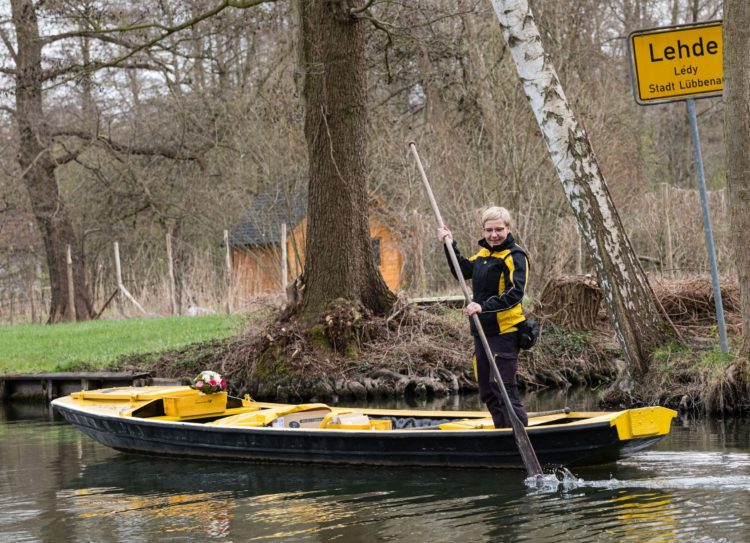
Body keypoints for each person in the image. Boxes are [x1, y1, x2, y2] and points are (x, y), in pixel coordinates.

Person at [437, 206, 529, 428]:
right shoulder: (484, 254)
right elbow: (463, 269)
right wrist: (449, 244)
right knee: (488, 390)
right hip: (481, 331)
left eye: (499, 229)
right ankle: (503, 432)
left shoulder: (515, 255)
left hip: (505, 331)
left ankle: (521, 434)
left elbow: (515, 294)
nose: (493, 235)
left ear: (508, 228)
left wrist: (483, 307)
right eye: (489, 230)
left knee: (503, 387)